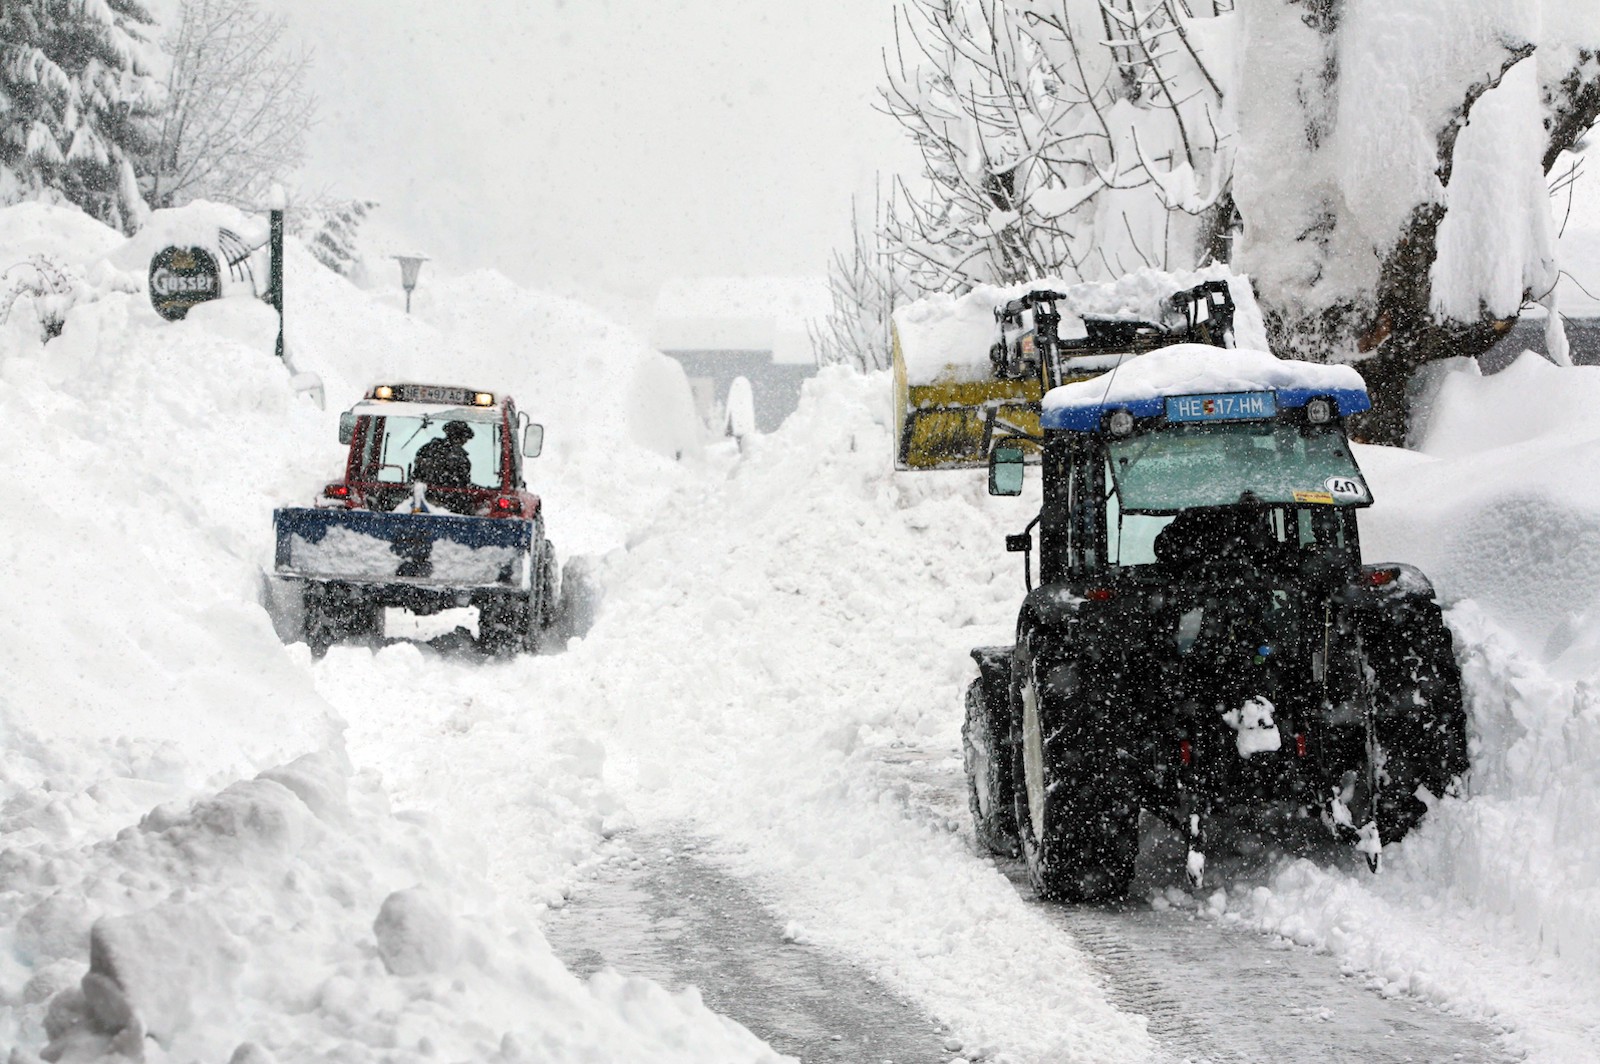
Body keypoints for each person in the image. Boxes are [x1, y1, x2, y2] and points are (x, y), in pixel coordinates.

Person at [412, 420, 474, 490]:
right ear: (457, 438)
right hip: (446, 494)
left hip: (423, 491)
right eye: (464, 438)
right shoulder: (459, 458)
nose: (466, 441)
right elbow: (462, 483)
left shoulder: (427, 448)